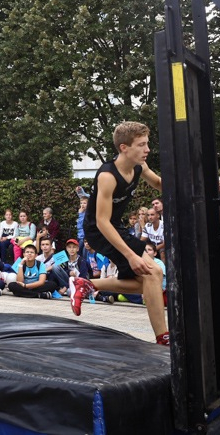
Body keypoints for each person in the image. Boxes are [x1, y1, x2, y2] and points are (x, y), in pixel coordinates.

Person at [69, 121, 167, 345]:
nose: (147, 149)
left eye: (147, 144)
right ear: (124, 147)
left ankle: (87, 284)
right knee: (153, 273)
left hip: (115, 227)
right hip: (98, 230)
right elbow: (102, 222)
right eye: (141, 145)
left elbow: (159, 183)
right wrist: (131, 256)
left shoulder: (139, 166)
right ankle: (163, 337)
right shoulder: (108, 176)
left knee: (150, 282)